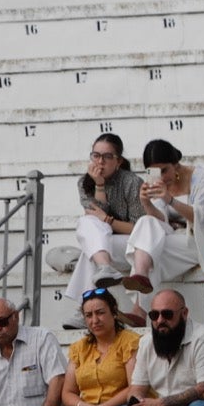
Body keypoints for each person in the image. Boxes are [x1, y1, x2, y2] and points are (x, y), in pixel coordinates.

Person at [122, 141, 204, 319]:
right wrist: (146, 203)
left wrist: (171, 200)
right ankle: (141, 275)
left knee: (150, 250)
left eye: (164, 170)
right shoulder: (158, 185)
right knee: (147, 223)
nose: (161, 177)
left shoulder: (201, 179)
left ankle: (139, 309)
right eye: (154, 172)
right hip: (176, 239)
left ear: (175, 164)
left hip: (203, 241)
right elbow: (160, 220)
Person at [50, 289, 139, 406]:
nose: (94, 320)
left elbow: (134, 387)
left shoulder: (129, 341)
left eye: (100, 313)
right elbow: (68, 393)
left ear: (114, 312)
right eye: (88, 315)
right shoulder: (80, 348)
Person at [64, 134, 142, 316]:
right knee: (87, 223)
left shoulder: (132, 182)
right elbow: (94, 221)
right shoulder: (85, 183)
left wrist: (108, 220)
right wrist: (99, 186)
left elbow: (140, 228)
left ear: (119, 161)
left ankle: (84, 308)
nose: (100, 162)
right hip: (104, 244)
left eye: (107, 157)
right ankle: (104, 268)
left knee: (90, 250)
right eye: (96, 156)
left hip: (132, 243)